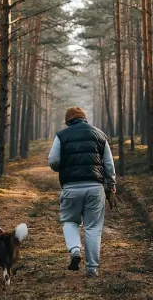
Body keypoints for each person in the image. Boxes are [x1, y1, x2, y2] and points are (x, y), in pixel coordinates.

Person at [47, 106, 116, 278]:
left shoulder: (61, 136)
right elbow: (108, 164)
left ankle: (75, 250)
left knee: (70, 221)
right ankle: (92, 268)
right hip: (95, 187)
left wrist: (65, 166)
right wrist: (111, 183)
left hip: (71, 187)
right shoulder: (100, 134)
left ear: (68, 121)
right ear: (84, 119)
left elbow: (54, 161)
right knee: (93, 227)